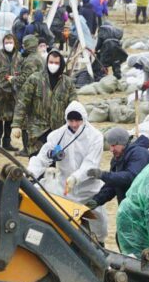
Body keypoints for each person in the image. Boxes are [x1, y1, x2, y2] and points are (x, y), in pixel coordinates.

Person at [28, 102, 107, 240]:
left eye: (78, 120)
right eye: (71, 120)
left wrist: (76, 178)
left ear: (84, 118)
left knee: (98, 221)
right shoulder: (57, 135)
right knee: (57, 214)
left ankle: (99, 244)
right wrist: (30, 173)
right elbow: (42, 158)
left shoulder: (95, 137)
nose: (74, 124)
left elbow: (90, 163)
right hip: (64, 187)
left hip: (89, 188)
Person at [12, 50, 78, 155]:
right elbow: (22, 103)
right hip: (37, 131)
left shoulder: (67, 83)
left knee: (53, 166)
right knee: (36, 164)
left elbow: (74, 106)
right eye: (51, 62)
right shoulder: (35, 79)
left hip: (58, 131)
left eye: (56, 63)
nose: (53, 65)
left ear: (61, 64)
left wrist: (75, 126)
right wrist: (16, 125)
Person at [86, 127, 149, 209]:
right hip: (128, 208)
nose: (111, 149)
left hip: (144, 207)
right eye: (110, 146)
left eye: (113, 145)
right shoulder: (117, 159)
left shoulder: (140, 153)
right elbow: (113, 184)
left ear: (123, 143)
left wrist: (103, 175)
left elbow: (130, 177)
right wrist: (97, 200)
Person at [11, 35, 43, 155]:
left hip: (29, 95)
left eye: (24, 45)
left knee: (25, 123)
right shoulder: (39, 58)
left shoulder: (31, 60)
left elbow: (25, 79)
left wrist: (13, 79)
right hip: (38, 94)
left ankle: (26, 149)